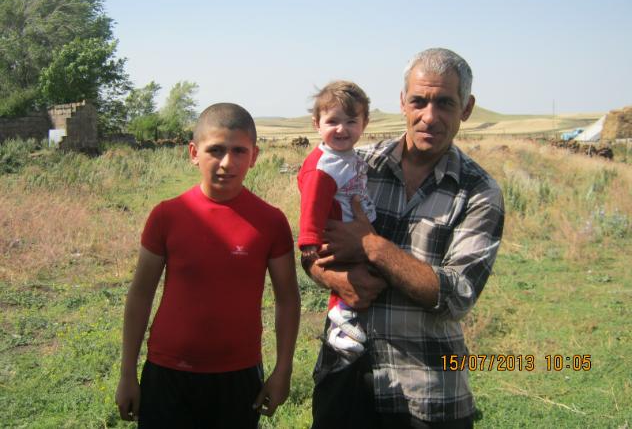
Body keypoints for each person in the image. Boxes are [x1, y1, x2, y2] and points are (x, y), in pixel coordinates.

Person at [304, 48, 505, 429]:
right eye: (419, 101)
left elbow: (457, 295)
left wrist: (372, 245)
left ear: (466, 108)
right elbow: (309, 249)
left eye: (445, 103)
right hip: (343, 378)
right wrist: (335, 278)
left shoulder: (479, 192)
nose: (429, 116)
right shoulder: (356, 165)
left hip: (426, 393)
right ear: (402, 102)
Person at [115, 103, 301, 428]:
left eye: (239, 151)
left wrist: (282, 370)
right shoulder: (167, 216)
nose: (227, 162)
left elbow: (287, 299)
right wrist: (127, 373)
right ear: (194, 153)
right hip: (168, 372)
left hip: (238, 375)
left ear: (254, 156)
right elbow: (141, 294)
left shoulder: (271, 221)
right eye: (215, 150)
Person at [297, 81, 377, 360]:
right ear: (316, 124)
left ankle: (347, 321)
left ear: (364, 124)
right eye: (332, 121)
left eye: (351, 121)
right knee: (351, 275)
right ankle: (340, 323)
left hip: (355, 226)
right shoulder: (323, 166)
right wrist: (309, 240)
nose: (342, 129)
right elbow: (311, 203)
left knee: (368, 273)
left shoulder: (346, 155)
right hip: (339, 233)